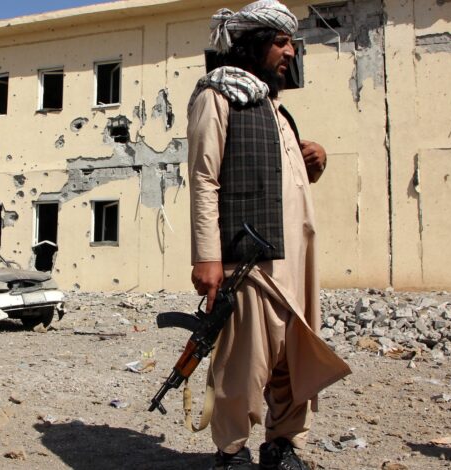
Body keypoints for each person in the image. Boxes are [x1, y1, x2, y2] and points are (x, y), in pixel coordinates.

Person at [187, 2, 352, 468]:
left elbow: (285, 178)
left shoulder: (278, 111)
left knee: (294, 361)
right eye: (280, 42)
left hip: (297, 262)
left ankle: (283, 445)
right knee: (245, 363)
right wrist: (207, 256)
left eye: (291, 44)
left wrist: (315, 160)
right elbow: (204, 179)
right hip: (249, 259)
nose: (291, 52)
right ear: (253, 45)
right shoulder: (217, 96)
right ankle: (232, 451)